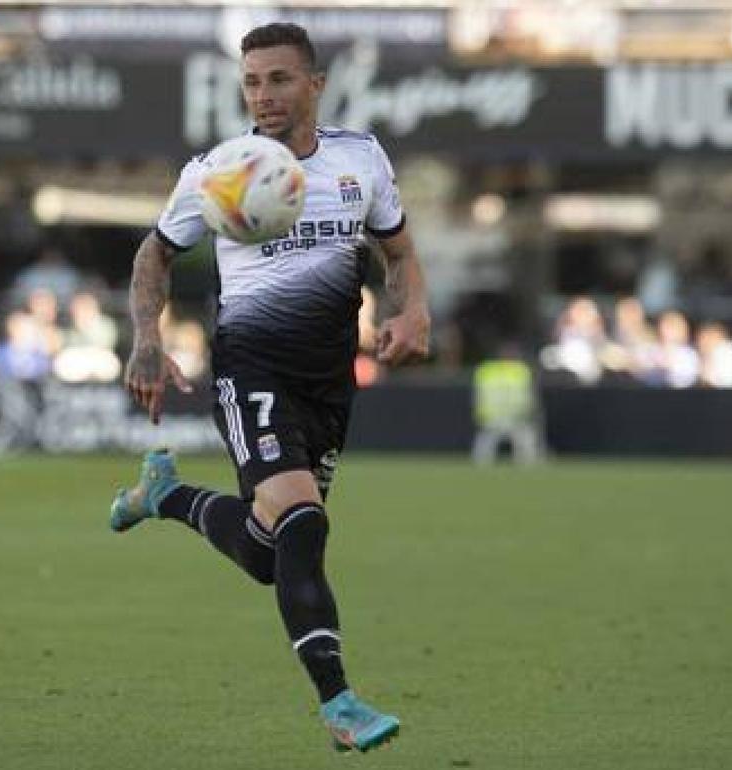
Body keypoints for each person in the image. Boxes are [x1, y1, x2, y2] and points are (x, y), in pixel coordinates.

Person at [109, 23, 429, 753]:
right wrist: (148, 340)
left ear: (315, 84)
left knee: (267, 550)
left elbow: (400, 250)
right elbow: (153, 256)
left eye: (280, 79)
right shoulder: (218, 172)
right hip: (252, 366)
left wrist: (415, 309)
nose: (265, 95)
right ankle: (339, 703)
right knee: (304, 525)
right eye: (252, 82)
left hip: (328, 382)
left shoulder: (359, 158)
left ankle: (166, 496)